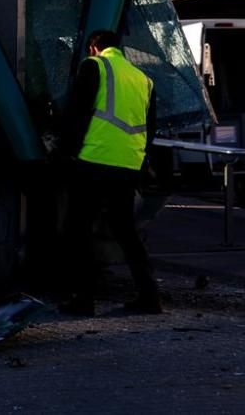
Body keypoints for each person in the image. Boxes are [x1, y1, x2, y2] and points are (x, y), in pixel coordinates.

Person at [59, 30, 162, 315]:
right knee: (126, 231)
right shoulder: (143, 79)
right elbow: (150, 127)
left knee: (78, 229)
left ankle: (83, 300)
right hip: (128, 165)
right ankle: (149, 296)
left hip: (93, 159)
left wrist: (65, 151)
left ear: (94, 47)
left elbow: (77, 112)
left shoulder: (95, 66)